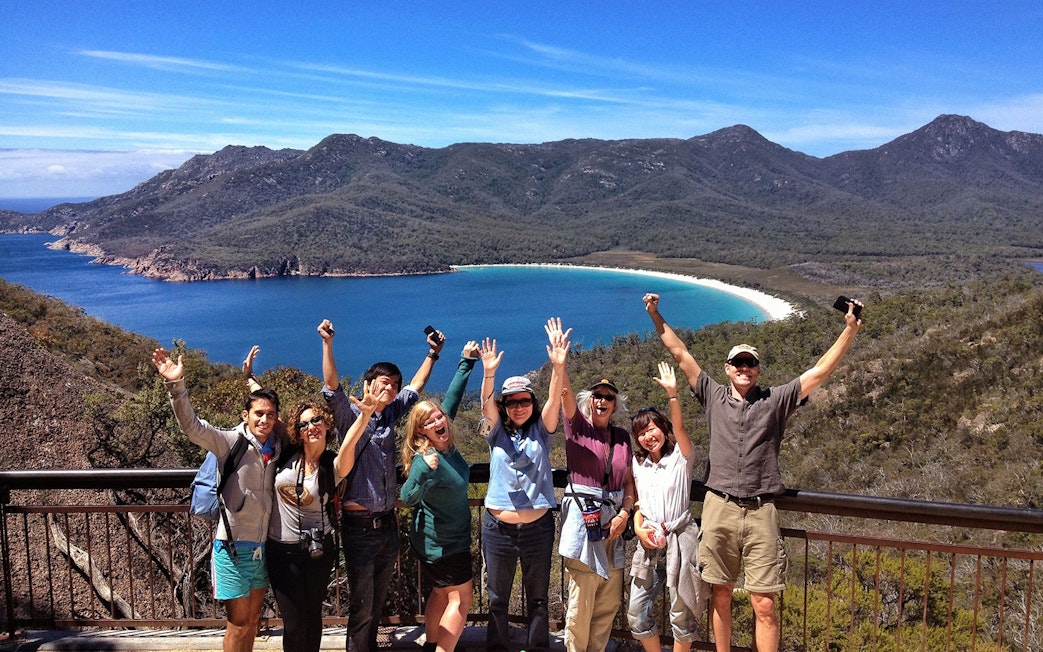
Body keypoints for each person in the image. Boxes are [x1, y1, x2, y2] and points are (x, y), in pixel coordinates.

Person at [644, 292, 863, 652]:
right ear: (728, 368)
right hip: (720, 506)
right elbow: (680, 353)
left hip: (762, 511)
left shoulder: (776, 400)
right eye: (737, 364)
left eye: (750, 364)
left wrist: (850, 331)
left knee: (764, 603)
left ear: (758, 370)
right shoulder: (713, 395)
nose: (744, 369)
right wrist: (655, 314)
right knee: (721, 594)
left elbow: (821, 371)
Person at [318, 318, 445, 652]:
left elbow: (415, 387)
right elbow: (331, 385)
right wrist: (328, 344)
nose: (390, 389)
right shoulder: (350, 414)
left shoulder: (391, 415)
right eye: (384, 383)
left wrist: (433, 355)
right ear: (369, 384)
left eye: (393, 385)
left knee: (377, 601)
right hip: (359, 527)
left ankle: (368, 647)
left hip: (387, 524)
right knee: (362, 603)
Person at [152, 347, 282, 652]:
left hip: (261, 549)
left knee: (252, 622)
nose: (264, 419)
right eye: (258, 414)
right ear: (245, 415)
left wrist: (250, 378)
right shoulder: (229, 442)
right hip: (232, 548)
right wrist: (176, 385)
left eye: (270, 415)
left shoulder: (275, 448)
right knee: (237, 624)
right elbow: (192, 427)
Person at [478, 319, 569, 652]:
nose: (518, 407)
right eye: (512, 402)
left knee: (539, 600)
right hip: (497, 529)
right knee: (497, 600)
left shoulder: (541, 432)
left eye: (524, 401)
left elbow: (553, 402)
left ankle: (537, 647)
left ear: (532, 402)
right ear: (505, 406)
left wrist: (559, 367)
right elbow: (487, 408)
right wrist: (488, 373)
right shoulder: (496, 432)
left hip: (537, 529)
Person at [398, 340, 481, 652]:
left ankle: (431, 645)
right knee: (461, 599)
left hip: (437, 539)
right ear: (421, 433)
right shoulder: (426, 459)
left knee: (441, 592)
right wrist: (422, 471)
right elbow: (407, 497)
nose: (437, 421)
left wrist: (466, 362)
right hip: (444, 543)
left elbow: (453, 400)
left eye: (438, 417)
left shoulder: (448, 444)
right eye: (428, 422)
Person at [627, 362, 709, 652]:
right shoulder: (638, 464)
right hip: (648, 543)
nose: (648, 437)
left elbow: (680, 427)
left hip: (680, 540)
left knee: (682, 613)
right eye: (641, 433)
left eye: (652, 429)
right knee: (636, 614)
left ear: (662, 429)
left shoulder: (681, 458)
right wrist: (638, 526)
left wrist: (673, 396)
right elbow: (637, 500)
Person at [557, 357, 636, 652]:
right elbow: (564, 395)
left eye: (608, 397)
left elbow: (628, 481)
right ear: (589, 401)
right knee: (582, 602)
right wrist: (560, 364)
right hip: (584, 521)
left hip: (614, 522)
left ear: (615, 405)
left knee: (608, 601)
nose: (602, 400)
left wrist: (625, 513)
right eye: (597, 396)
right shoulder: (577, 426)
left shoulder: (622, 437)